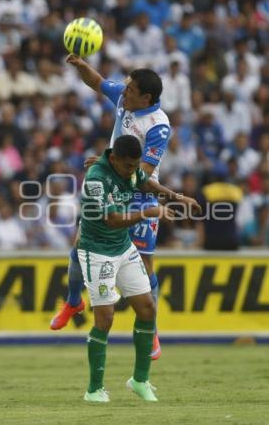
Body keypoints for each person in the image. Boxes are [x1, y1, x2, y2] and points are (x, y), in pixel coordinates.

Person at [50, 55, 201, 359]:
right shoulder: (125, 97)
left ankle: (151, 326)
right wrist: (80, 65)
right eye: (126, 86)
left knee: (145, 265)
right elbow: (96, 81)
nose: (124, 91)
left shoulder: (158, 127)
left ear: (146, 97)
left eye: (130, 89)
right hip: (111, 179)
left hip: (140, 191)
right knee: (78, 249)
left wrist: (109, 163)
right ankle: (73, 301)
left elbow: (141, 172)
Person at [78, 134, 199, 402]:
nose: (132, 172)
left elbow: (148, 184)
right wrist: (147, 213)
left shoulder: (130, 170)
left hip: (123, 248)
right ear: (114, 159)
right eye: (128, 166)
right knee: (105, 319)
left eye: (135, 166)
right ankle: (94, 390)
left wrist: (180, 197)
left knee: (147, 308)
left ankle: (140, 380)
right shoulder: (97, 178)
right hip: (97, 251)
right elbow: (111, 220)